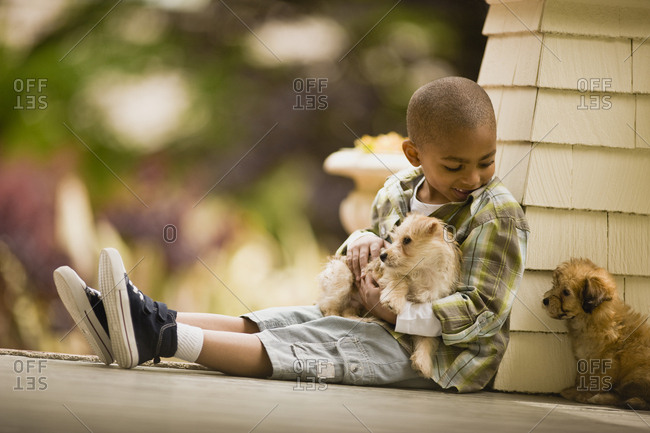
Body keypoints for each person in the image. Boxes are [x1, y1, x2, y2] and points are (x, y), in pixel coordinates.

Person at [54, 76, 528, 392]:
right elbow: (378, 247)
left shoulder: (496, 215)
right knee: (286, 318)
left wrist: (399, 313)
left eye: (485, 161)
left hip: (440, 358)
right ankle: (145, 317)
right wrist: (360, 244)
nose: (473, 176)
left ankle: (160, 339)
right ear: (414, 155)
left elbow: (483, 311)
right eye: (455, 165)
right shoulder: (398, 190)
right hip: (377, 319)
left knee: (322, 343)